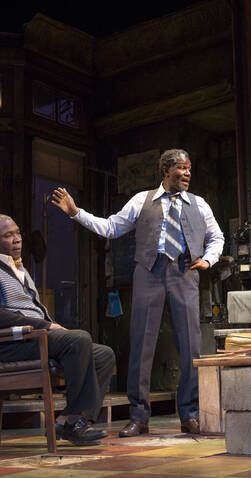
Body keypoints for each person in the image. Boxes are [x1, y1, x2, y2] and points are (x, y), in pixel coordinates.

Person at [51, 149, 224, 436]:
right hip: (148, 273)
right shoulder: (141, 201)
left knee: (191, 346)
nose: (187, 173)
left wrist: (209, 259)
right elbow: (110, 228)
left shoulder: (199, 204)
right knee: (142, 345)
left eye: (190, 169)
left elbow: (216, 235)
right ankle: (139, 416)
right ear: (166, 170)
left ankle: (189, 414)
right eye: (182, 168)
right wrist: (76, 213)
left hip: (185, 272)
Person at [0, 214, 115, 446]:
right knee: (78, 339)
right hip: (8, 345)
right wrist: (46, 325)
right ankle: (72, 422)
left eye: (17, 233)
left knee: (104, 355)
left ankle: (73, 419)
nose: (17, 239)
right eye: (7, 235)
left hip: (33, 339)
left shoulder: (16, 268)